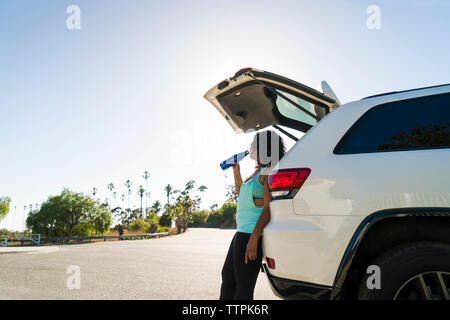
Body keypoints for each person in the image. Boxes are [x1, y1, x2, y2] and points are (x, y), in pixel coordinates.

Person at [219, 130, 286, 300]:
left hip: (250, 234)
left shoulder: (269, 171)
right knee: (227, 278)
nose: (249, 147)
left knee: (243, 287)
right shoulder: (257, 171)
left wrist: (254, 238)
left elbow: (268, 208)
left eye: (253, 144)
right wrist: (236, 171)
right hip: (241, 233)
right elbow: (242, 195)